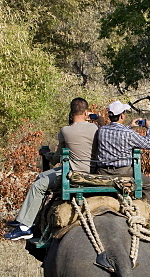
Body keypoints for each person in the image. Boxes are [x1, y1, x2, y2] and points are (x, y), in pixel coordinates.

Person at [5, 97, 99, 241]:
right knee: (41, 178)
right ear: (86, 112)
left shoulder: (65, 131)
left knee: (38, 185)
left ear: (71, 112)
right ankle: (24, 219)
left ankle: (25, 228)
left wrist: (47, 154)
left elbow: (57, 158)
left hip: (73, 173)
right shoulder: (95, 128)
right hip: (91, 171)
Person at [94, 100, 150, 208]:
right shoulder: (129, 134)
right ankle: (148, 214)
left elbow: (114, 133)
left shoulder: (101, 130)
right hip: (124, 172)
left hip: (102, 172)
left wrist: (129, 126)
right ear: (122, 116)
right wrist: (149, 127)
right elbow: (149, 143)